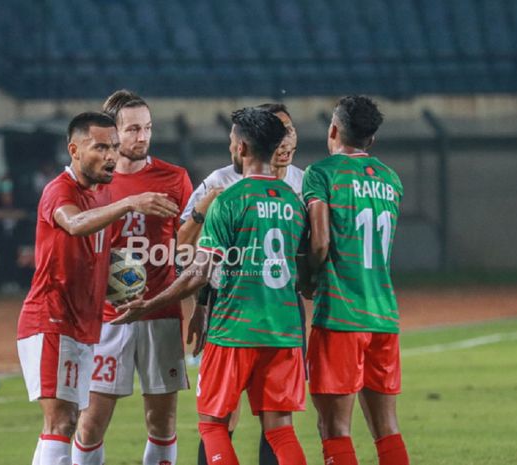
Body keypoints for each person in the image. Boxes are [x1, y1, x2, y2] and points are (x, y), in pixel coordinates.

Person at [115, 107, 309, 465]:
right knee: (282, 430)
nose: (231, 145)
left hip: (233, 327)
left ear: (243, 148)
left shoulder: (227, 200)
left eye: (234, 139)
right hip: (283, 328)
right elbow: (308, 263)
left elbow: (199, 272)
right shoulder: (294, 202)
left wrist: (150, 305)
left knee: (214, 425)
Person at [16, 111, 179, 465]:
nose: (111, 156)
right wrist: (128, 202)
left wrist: (122, 282)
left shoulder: (100, 195)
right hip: (52, 319)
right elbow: (73, 224)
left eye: (114, 148)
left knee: (67, 421)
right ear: (74, 149)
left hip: (82, 324)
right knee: (60, 422)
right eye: (100, 147)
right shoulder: (60, 190)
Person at [176, 103, 302, 465]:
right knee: (236, 418)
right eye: (280, 131)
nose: (286, 139)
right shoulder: (219, 182)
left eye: (290, 130)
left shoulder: (302, 180)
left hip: (253, 319)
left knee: (259, 421)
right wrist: (201, 306)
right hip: (250, 312)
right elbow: (184, 244)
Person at [72, 90, 193, 465]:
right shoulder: (94, 185)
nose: (143, 137)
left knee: (162, 420)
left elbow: (189, 246)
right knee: (91, 422)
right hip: (108, 319)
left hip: (160, 313)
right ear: (113, 133)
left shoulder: (174, 178)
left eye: (148, 128)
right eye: (134, 129)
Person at [302, 95, 409, 465]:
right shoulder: (390, 179)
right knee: (387, 428)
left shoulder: (322, 173)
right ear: (371, 140)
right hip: (383, 314)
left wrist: (306, 277)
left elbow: (320, 242)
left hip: (340, 314)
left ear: (333, 130)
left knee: (335, 429)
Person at [0, 174, 28, 292]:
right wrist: (11, 214)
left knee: (15, 259)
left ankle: (15, 282)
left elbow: (22, 214)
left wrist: (5, 214)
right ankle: (5, 283)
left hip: (15, 235)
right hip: (1, 236)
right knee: (3, 259)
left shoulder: (18, 197)